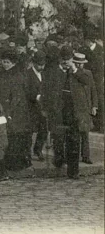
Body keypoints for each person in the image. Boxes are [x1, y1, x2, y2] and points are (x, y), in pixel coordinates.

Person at [40, 46, 93, 179]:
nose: (65, 62)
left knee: (74, 140)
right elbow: (45, 90)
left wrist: (74, 69)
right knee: (58, 138)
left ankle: (73, 171)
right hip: (57, 111)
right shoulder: (52, 72)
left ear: (72, 59)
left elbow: (87, 83)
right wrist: (45, 108)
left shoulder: (78, 72)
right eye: (63, 59)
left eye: (68, 59)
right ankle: (59, 160)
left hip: (73, 112)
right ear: (59, 59)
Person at [0, 47, 33, 171]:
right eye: (4, 62)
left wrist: (9, 112)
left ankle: (16, 164)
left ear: (13, 63)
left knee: (15, 136)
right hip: (5, 108)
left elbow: (17, 96)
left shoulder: (17, 75)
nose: (5, 64)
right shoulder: (4, 73)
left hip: (16, 111)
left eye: (8, 62)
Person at [72, 52, 98, 164]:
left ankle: (86, 156)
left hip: (86, 108)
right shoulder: (71, 73)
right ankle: (73, 157)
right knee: (74, 134)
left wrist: (94, 105)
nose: (79, 66)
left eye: (81, 64)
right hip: (75, 107)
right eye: (77, 63)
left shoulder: (88, 74)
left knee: (85, 134)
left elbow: (93, 90)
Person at [29, 51, 48, 161]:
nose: (41, 66)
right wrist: (35, 97)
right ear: (34, 63)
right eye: (39, 64)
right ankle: (27, 151)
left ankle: (38, 149)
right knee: (30, 130)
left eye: (43, 64)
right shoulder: (27, 74)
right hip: (31, 107)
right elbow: (25, 90)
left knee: (43, 130)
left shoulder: (45, 74)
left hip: (42, 107)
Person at [84, 32, 104, 132]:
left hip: (98, 79)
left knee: (99, 100)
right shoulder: (86, 49)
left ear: (89, 41)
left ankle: (101, 125)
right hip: (90, 78)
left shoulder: (100, 50)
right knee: (91, 99)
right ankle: (94, 124)